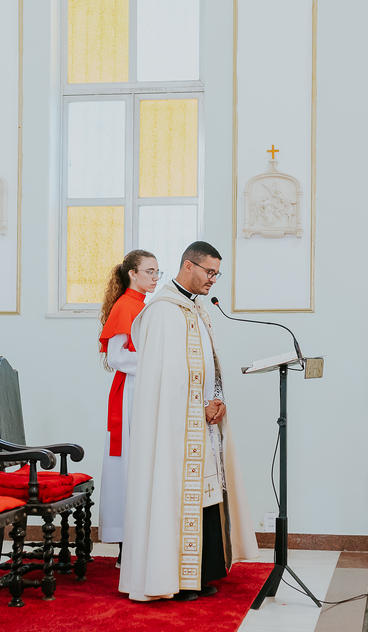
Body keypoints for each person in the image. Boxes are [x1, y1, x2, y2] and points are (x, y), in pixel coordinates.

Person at [119, 241, 259, 602]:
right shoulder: (164, 312)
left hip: (201, 421)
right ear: (187, 267)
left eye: (217, 273)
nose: (213, 279)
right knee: (175, 493)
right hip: (174, 428)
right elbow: (166, 379)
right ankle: (171, 578)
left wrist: (216, 399)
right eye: (209, 272)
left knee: (206, 493)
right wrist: (198, 406)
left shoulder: (194, 308)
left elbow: (204, 365)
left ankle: (202, 571)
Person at [97, 250, 159, 562]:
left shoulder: (143, 305)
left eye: (157, 272)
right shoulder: (125, 306)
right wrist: (157, 362)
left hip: (142, 387)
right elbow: (116, 357)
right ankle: (126, 544)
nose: (155, 278)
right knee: (128, 463)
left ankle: (138, 541)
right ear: (132, 274)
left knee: (142, 462)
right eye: (149, 271)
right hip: (131, 391)